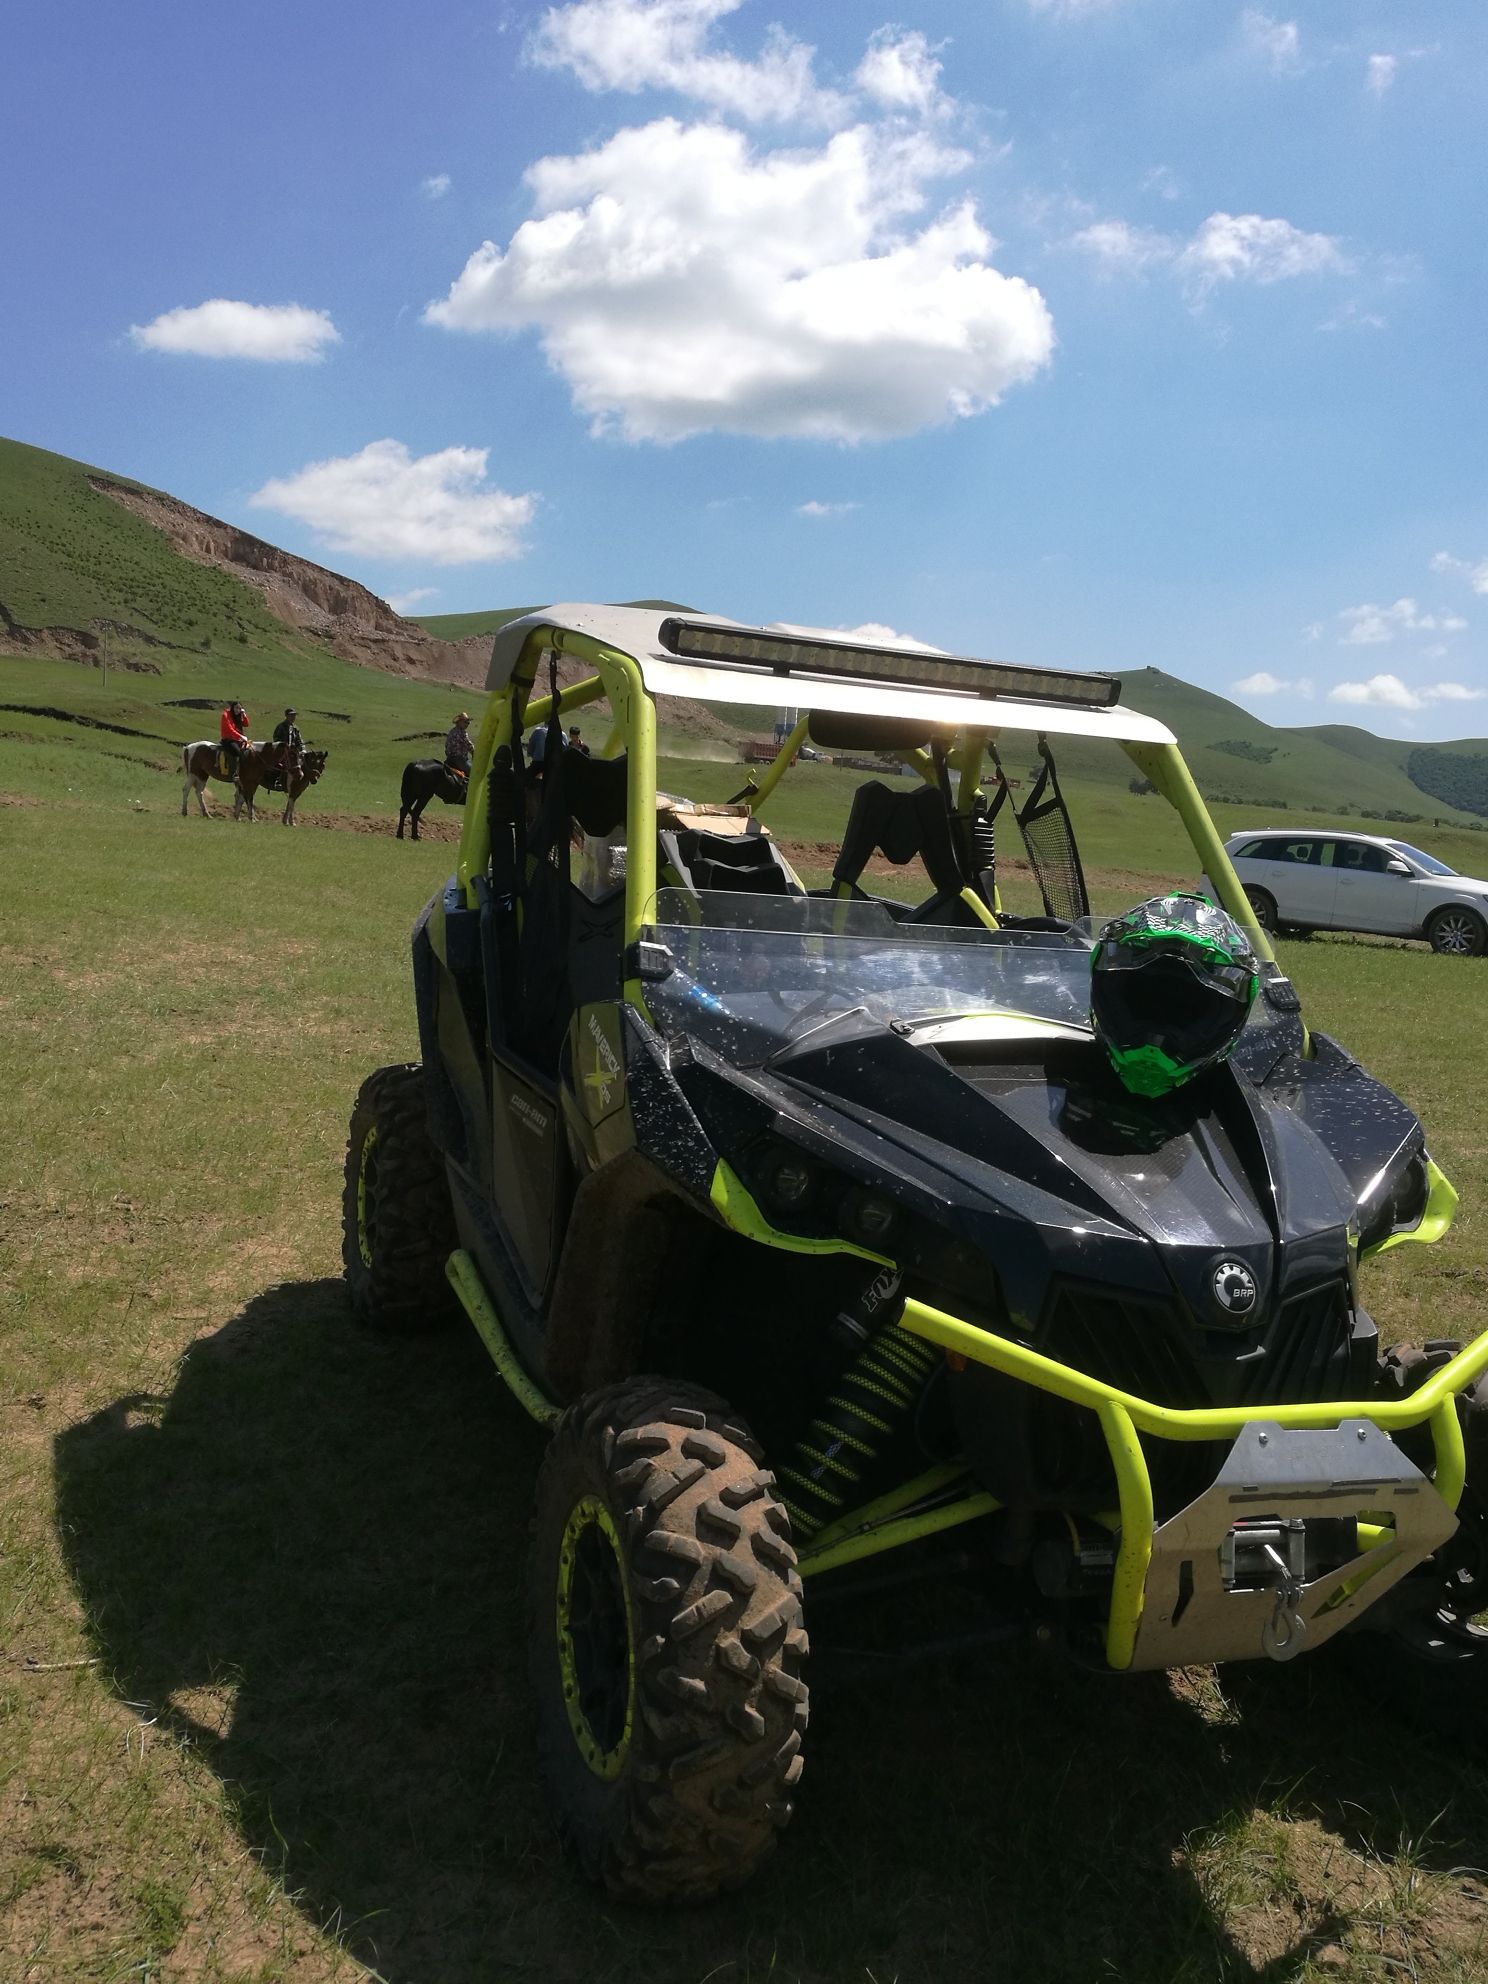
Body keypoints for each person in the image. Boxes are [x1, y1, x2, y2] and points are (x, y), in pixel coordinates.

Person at [269, 707, 304, 792]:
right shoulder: (280, 727)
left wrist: (302, 749)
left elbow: (299, 740)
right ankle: (278, 780)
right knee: (282, 763)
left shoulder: (295, 729)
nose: (293, 717)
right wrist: (284, 746)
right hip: (282, 751)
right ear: (286, 716)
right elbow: (276, 739)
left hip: (292, 752)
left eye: (294, 715)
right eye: (291, 715)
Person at [219, 700, 250, 777]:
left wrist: (244, 714)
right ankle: (235, 773)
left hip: (238, 739)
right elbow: (230, 729)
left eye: (239, 708)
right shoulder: (225, 715)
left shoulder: (239, 715)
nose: (237, 710)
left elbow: (246, 724)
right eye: (236, 708)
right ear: (232, 707)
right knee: (237, 752)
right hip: (228, 739)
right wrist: (240, 736)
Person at [445, 711, 474, 777]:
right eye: (465, 722)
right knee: (473, 773)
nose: (467, 724)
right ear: (459, 722)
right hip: (459, 759)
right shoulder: (462, 733)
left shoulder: (452, 731)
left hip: (450, 758)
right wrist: (473, 752)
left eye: (468, 722)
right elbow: (469, 745)